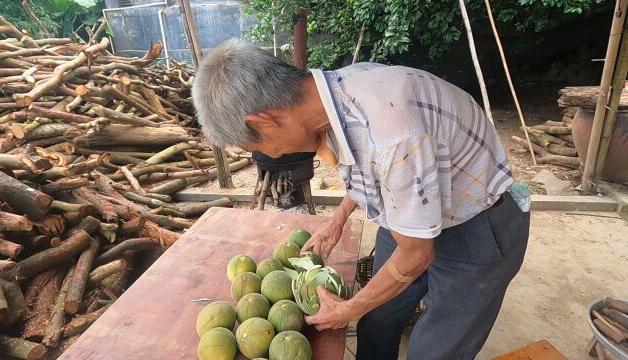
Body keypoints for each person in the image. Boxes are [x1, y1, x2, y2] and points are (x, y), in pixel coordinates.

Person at [192, 39, 530, 360]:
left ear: (263, 121)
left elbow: (416, 253)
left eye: (257, 148)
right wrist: (335, 223)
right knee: (378, 319)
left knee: (435, 349)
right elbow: (373, 172)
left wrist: (350, 308)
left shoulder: (392, 133)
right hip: (416, 216)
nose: (270, 155)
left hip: (478, 224)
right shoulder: (333, 96)